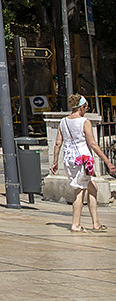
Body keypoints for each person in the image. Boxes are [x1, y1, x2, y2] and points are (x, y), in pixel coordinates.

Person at [49, 94, 113, 233]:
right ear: (81, 107)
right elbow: (93, 144)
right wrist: (108, 162)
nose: (86, 110)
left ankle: (96, 223)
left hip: (69, 160)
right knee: (79, 191)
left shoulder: (63, 122)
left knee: (92, 187)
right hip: (83, 161)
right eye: (86, 107)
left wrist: (55, 162)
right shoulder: (84, 122)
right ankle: (76, 224)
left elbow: (58, 143)